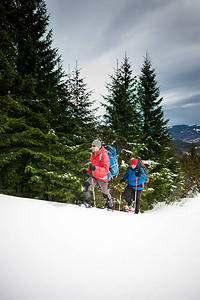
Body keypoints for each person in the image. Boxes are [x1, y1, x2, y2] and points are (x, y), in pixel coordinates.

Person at [82, 139, 114, 210]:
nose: (92, 147)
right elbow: (92, 166)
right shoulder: (93, 154)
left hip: (103, 178)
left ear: (98, 147)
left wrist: (95, 168)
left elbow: (106, 169)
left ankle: (111, 207)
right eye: (92, 146)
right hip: (95, 176)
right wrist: (87, 170)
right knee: (85, 186)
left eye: (94, 146)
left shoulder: (104, 155)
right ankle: (88, 203)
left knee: (105, 194)